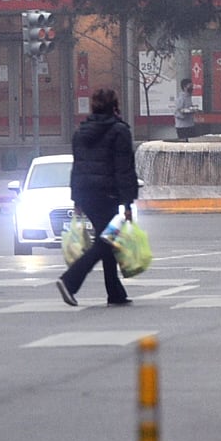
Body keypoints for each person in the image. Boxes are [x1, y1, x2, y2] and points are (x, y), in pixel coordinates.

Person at [56, 88, 139, 307]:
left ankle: (115, 292)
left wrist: (77, 200)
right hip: (107, 193)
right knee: (107, 240)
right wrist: (128, 203)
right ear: (115, 106)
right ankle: (70, 280)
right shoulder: (120, 131)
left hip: (86, 194)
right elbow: (124, 169)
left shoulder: (80, 132)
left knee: (106, 238)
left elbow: (77, 168)